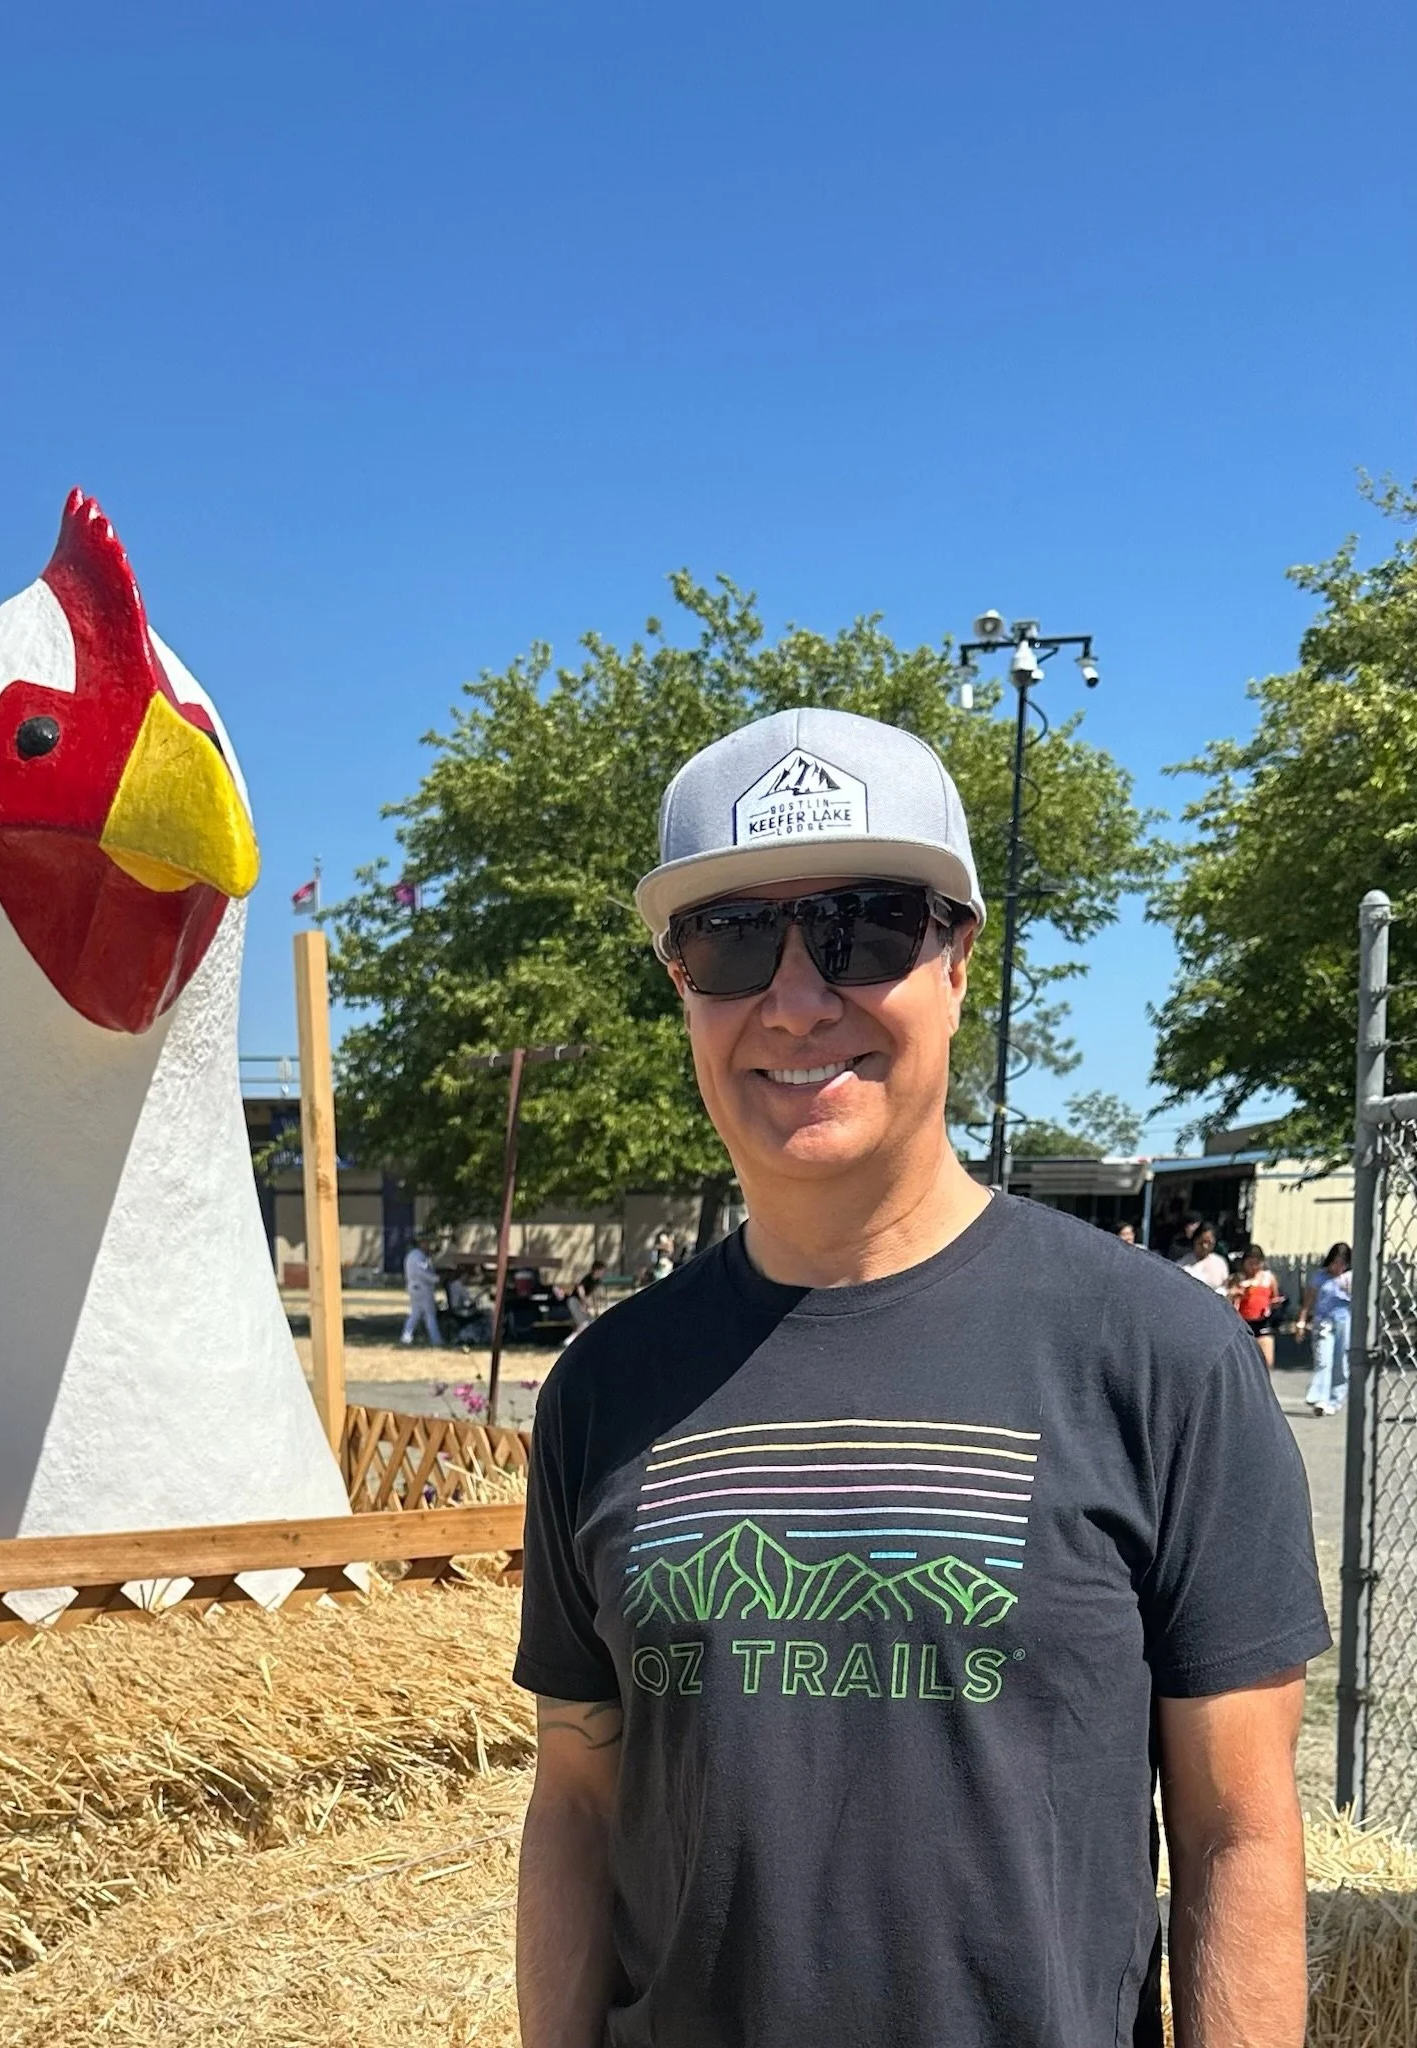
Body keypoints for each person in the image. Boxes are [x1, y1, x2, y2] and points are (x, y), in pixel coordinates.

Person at [515, 705, 1325, 2048]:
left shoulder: (1161, 1359)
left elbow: (1239, 1835)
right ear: (680, 982)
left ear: (958, 959)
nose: (793, 997)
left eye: (865, 929)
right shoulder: (605, 1389)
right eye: (729, 937)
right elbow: (579, 1800)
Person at [1295, 1242, 1353, 1416]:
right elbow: (1309, 1301)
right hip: (1324, 1322)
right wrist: (1302, 1321)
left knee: (1341, 1361)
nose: (1338, 1267)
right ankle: (1320, 1397)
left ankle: (1335, 1399)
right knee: (1323, 1360)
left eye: (1342, 1263)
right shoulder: (1320, 1277)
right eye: (1335, 1262)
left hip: (1345, 1322)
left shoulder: (1350, 1277)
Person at [1228, 1242, 1284, 1368]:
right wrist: (1234, 1294)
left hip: (1263, 1321)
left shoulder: (1268, 1278)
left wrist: (1275, 1304)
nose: (1254, 1267)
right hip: (1243, 1323)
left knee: (1266, 1362)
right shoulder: (1237, 1279)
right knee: (1244, 1363)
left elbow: (1274, 1298)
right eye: (1250, 1263)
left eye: (1257, 1263)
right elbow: (1228, 1300)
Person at [400, 1236, 441, 1347]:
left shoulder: (413, 1256)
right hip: (423, 1288)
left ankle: (406, 1337)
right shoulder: (418, 1257)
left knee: (415, 1314)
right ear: (421, 1244)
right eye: (426, 1243)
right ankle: (436, 1339)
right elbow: (423, 1273)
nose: (428, 1246)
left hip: (414, 1288)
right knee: (430, 1314)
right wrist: (437, 1279)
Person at [1179, 1220, 1230, 1291]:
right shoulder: (1182, 1264)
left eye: (1208, 1243)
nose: (1205, 1246)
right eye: (1201, 1242)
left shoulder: (1220, 1263)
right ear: (1195, 1241)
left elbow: (1225, 1287)